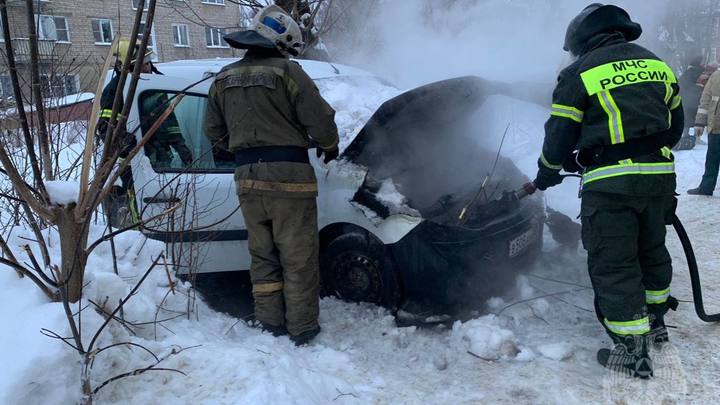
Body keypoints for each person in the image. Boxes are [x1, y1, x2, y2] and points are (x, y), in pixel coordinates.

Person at [530, 3, 683, 377]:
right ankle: (655, 321)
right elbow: (675, 126)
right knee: (651, 250)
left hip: (611, 187)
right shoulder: (656, 65)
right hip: (659, 181)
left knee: (614, 262)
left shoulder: (578, 72)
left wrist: (549, 172)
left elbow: (559, 135)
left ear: (582, 40)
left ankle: (632, 351)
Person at [204, 5, 340, 346]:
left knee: (262, 255)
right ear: (281, 42)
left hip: (247, 179)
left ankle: (270, 324)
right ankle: (302, 327)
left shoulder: (222, 79)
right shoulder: (288, 72)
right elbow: (319, 119)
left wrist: (236, 150)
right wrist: (330, 145)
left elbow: (213, 132)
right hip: (290, 178)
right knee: (297, 257)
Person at [688, 67, 720, 195]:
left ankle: (706, 187)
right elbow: (705, 101)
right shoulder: (716, 76)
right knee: (712, 159)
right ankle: (706, 187)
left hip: (715, 126)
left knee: (712, 159)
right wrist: (699, 123)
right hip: (716, 126)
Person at [673, 56, 705, 150]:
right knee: (697, 119)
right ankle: (697, 138)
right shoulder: (701, 71)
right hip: (697, 98)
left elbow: (681, 84)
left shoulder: (688, 72)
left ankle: (686, 135)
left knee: (687, 118)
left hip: (688, 98)